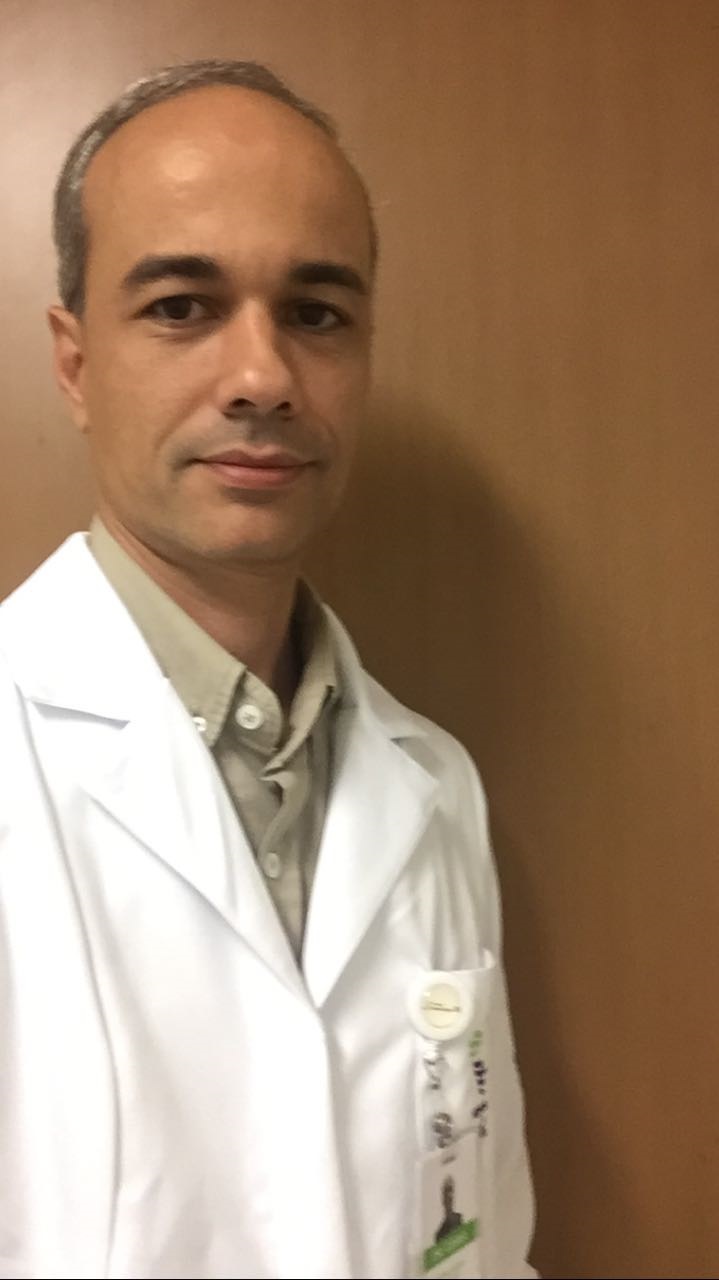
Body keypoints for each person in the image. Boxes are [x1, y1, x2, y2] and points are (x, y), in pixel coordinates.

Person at [0, 60, 536, 1279]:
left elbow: (483, 1237)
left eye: (315, 312)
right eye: (182, 306)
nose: (262, 376)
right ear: (74, 363)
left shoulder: (434, 787)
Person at [435, 1176, 465, 1243]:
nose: (449, 1196)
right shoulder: (439, 1234)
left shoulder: (459, 1220)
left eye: (451, 1191)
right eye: (446, 1192)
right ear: (443, 1199)